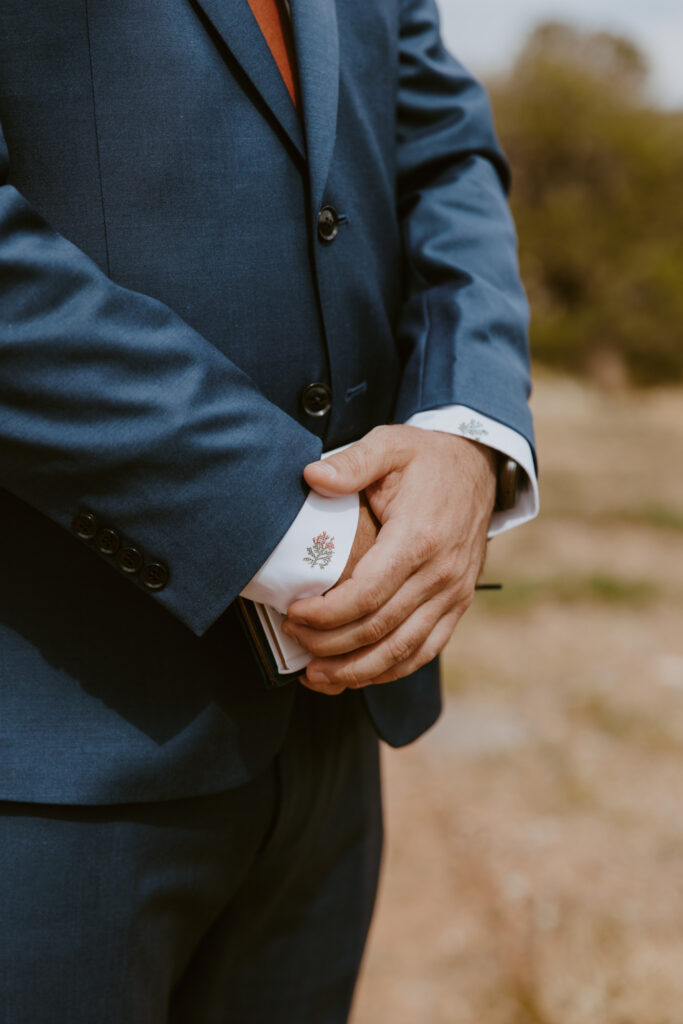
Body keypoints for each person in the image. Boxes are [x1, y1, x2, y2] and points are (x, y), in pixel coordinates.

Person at [0, 0, 538, 1019]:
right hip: (44, 761)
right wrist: (298, 533)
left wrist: (466, 430)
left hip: (324, 750)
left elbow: (445, 152)